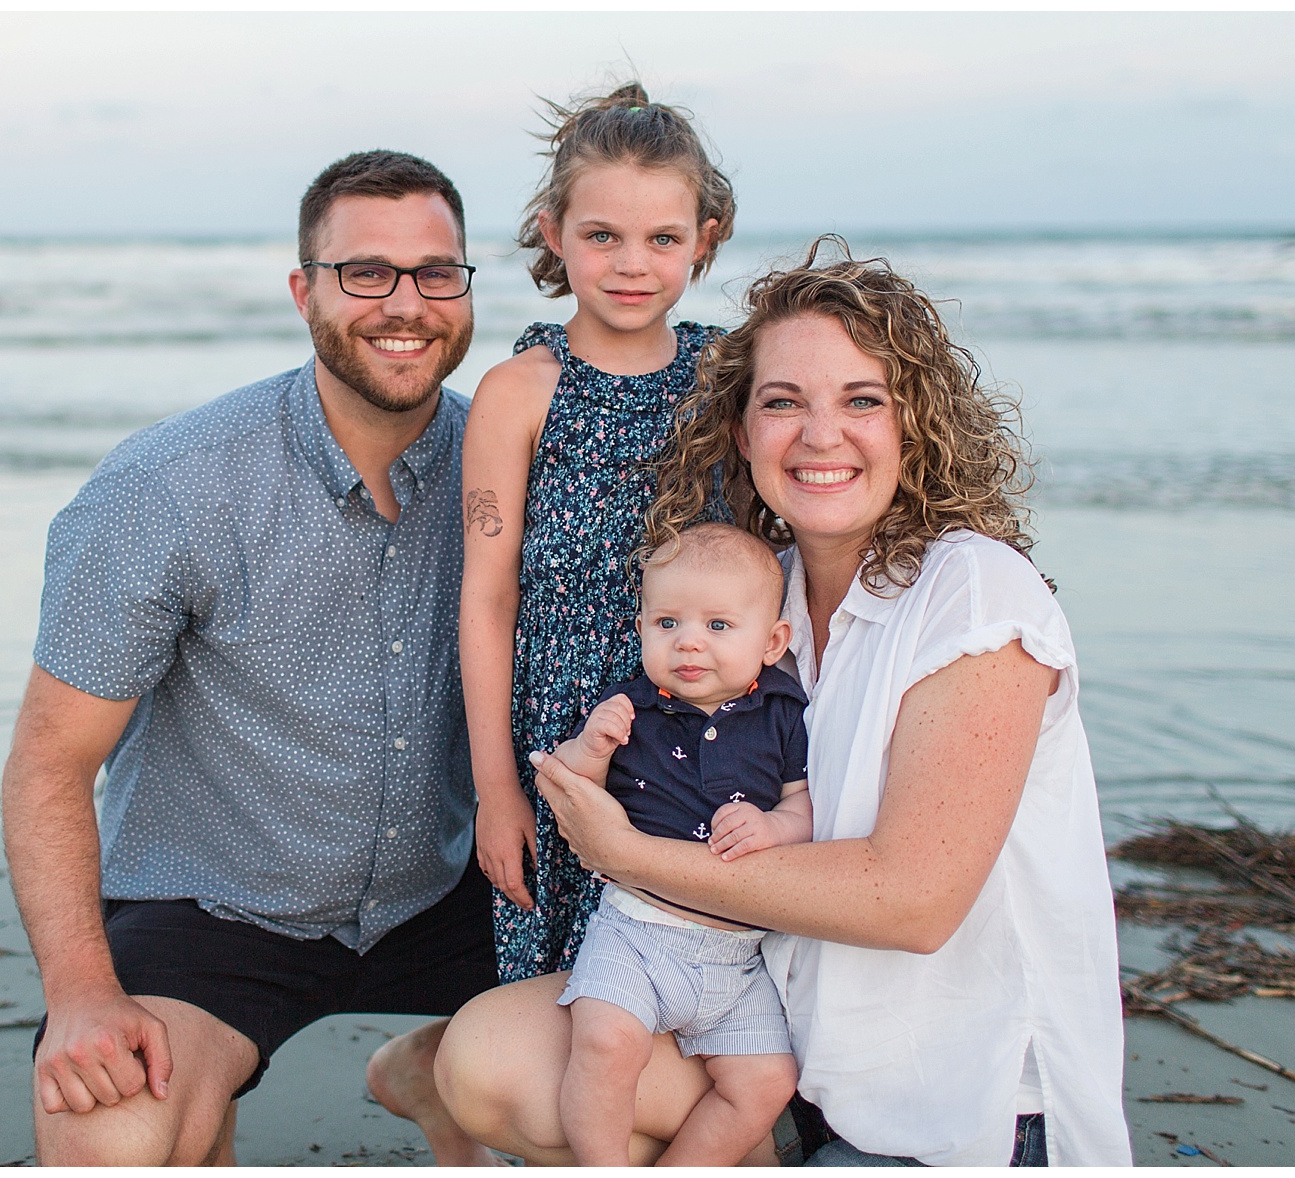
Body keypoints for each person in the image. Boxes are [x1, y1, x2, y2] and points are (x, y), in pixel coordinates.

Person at [436, 239, 1132, 1166]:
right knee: (489, 1055)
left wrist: (625, 854)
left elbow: (912, 901)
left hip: (970, 1118)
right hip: (806, 1064)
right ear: (739, 432)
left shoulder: (973, 593)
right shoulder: (765, 612)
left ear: (916, 425)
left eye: (861, 401)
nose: (818, 434)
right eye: (781, 402)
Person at [1, 149, 502, 1167]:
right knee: (113, 1130)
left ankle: (437, 1067)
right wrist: (82, 994)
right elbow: (49, 762)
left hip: (444, 889)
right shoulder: (169, 488)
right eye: (365, 271)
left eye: (435, 271)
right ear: (303, 290)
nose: (405, 302)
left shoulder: (507, 468)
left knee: (628, 1086)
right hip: (218, 903)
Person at [460, 81, 737, 987]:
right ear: (553, 232)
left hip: (703, 724)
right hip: (563, 735)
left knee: (702, 985)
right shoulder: (521, 391)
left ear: (705, 238)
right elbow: (488, 596)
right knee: (570, 1001)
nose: (631, 264)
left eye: (662, 238)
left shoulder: (725, 379)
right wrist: (497, 791)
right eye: (601, 236)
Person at [551, 522, 809, 1166]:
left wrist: (775, 827)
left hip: (740, 957)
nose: (689, 641)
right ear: (640, 627)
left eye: (719, 626)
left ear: (773, 641)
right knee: (607, 1042)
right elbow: (573, 792)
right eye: (667, 623)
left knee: (767, 1083)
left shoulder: (783, 713)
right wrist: (588, 749)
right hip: (638, 931)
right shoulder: (629, 707)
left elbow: (803, 805)